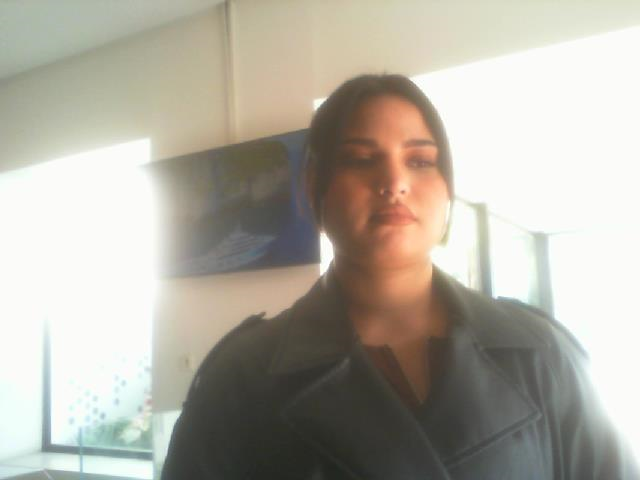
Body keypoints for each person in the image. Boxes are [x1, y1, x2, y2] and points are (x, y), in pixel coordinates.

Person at [161, 74, 638, 479]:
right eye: (360, 159)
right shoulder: (242, 377)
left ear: (447, 189)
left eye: (420, 161)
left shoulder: (541, 353)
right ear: (313, 186)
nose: (394, 182)